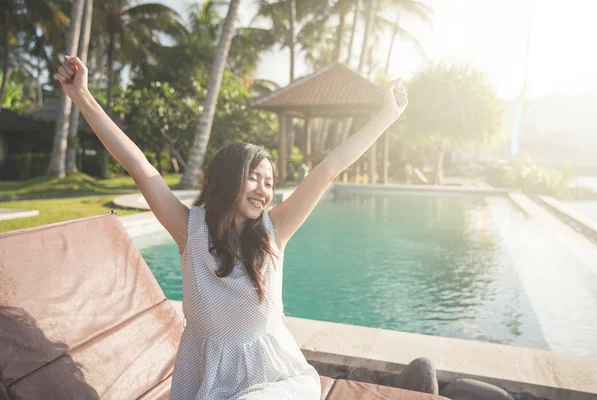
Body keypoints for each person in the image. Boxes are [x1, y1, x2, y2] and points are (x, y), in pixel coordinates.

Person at [56, 56, 408, 400]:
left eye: (269, 182)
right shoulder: (189, 230)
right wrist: (82, 96)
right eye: (253, 177)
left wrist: (386, 116)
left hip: (277, 381)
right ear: (228, 178)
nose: (263, 190)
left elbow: (328, 169)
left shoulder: (274, 232)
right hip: (207, 381)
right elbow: (138, 164)